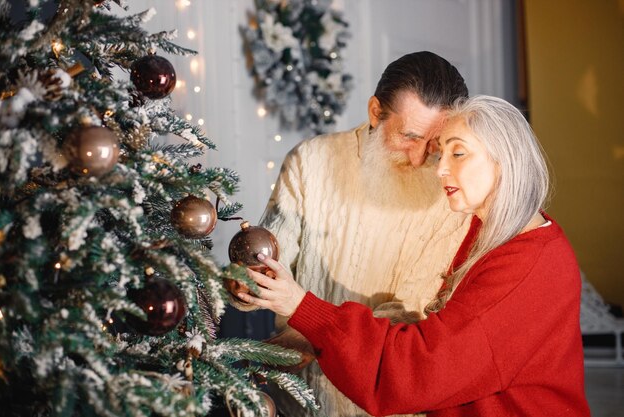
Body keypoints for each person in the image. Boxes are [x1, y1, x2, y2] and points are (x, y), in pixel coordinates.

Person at [237, 95, 591, 417]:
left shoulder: (526, 265)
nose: (438, 168)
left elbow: (417, 370)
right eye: (442, 152)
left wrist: (304, 308)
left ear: (504, 161)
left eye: (458, 153)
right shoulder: (491, 233)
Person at [226, 51, 472, 417]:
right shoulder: (310, 161)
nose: (422, 158)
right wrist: (246, 286)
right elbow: (270, 262)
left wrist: (315, 333)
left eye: (435, 143)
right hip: (301, 396)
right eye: (409, 137)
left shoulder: (453, 192)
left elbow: (416, 311)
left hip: (391, 400)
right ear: (376, 112)